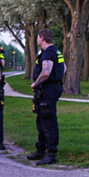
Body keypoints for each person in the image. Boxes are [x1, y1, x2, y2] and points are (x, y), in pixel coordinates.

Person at [28, 28, 64, 166]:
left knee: (48, 122)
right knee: (41, 120)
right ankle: (41, 150)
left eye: (38, 37)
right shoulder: (56, 51)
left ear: (41, 38)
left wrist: (35, 84)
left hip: (48, 90)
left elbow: (46, 72)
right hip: (51, 89)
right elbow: (64, 68)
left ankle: (51, 153)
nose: (37, 40)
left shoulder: (48, 53)